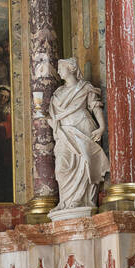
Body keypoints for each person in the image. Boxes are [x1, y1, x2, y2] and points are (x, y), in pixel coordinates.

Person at [47, 58, 109, 209]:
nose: (58, 71)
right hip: (63, 132)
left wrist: (102, 127)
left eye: (61, 68)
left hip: (83, 127)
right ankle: (65, 201)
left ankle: (81, 200)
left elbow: (95, 107)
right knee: (61, 167)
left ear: (72, 68)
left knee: (85, 162)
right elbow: (53, 117)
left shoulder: (85, 88)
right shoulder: (57, 93)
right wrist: (51, 122)